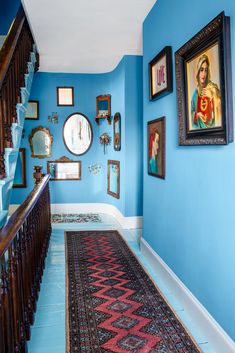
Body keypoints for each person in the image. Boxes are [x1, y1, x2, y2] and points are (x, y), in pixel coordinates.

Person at [191, 54, 221, 129]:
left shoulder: (213, 88)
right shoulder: (195, 94)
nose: (203, 74)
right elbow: (191, 114)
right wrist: (197, 115)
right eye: (201, 70)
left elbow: (221, 110)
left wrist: (213, 97)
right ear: (198, 72)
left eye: (206, 70)